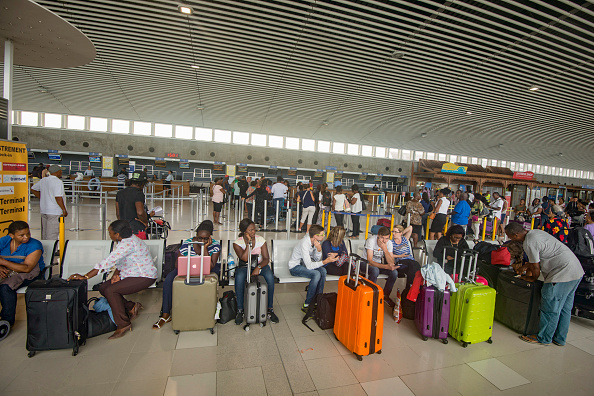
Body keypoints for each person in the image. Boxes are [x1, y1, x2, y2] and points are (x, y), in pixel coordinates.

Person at [68, 220, 157, 339]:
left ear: (117, 234)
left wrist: (86, 276)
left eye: (110, 233)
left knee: (111, 291)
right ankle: (131, 306)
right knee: (103, 287)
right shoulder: (124, 241)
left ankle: (123, 324)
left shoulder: (128, 243)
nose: (109, 235)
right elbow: (121, 261)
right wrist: (117, 273)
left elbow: (108, 262)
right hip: (130, 273)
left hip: (144, 276)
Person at [504, 222, 584, 346]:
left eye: (509, 236)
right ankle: (559, 338)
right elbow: (539, 257)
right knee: (564, 309)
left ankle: (544, 337)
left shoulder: (529, 243)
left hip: (561, 274)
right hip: (575, 271)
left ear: (515, 235)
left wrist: (529, 279)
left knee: (550, 308)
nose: (509, 239)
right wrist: (524, 267)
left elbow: (536, 268)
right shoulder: (535, 233)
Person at [153, 220, 221, 330]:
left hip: (206, 270)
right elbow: (177, 264)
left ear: (210, 237)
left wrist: (204, 248)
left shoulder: (215, 245)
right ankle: (165, 314)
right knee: (169, 279)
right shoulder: (188, 243)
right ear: (196, 235)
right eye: (200, 238)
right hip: (188, 267)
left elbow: (210, 266)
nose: (202, 240)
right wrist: (187, 263)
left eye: (205, 238)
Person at [233, 219, 278, 325]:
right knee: (239, 278)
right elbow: (244, 258)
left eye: (254, 229)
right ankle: (240, 309)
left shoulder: (261, 240)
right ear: (244, 232)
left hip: (260, 265)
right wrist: (249, 244)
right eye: (251, 230)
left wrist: (258, 267)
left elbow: (266, 258)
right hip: (245, 266)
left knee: (270, 277)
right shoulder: (237, 243)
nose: (254, 232)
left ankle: (269, 309)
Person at [0, 221, 45, 328]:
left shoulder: (35, 245)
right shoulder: (4, 241)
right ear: (11, 236)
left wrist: (2, 262)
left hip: (30, 272)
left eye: (28, 233)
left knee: (6, 287)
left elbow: (27, 268)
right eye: (21, 235)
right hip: (8, 269)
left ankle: (7, 321)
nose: (26, 237)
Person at [290, 225, 339, 312]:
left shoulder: (315, 242)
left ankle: (318, 300)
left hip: (304, 265)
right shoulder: (304, 243)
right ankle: (307, 304)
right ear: (315, 236)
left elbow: (315, 259)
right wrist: (324, 262)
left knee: (323, 271)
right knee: (316, 274)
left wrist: (318, 250)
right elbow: (309, 266)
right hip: (295, 267)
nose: (324, 236)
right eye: (322, 234)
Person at [31, 164, 68, 240]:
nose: (61, 172)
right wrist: (64, 210)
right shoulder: (58, 182)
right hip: (54, 212)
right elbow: (58, 197)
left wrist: (42, 197)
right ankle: (51, 251)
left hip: (44, 211)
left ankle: (45, 250)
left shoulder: (44, 180)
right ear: (57, 172)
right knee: (52, 235)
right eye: (61, 171)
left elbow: (33, 189)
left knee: (44, 234)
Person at [363, 226, 398, 307]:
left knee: (394, 273)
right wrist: (386, 266)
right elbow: (370, 261)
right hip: (364, 263)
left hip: (378, 264)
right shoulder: (371, 240)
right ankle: (370, 295)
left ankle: (385, 296)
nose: (384, 241)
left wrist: (385, 250)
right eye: (382, 238)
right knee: (375, 271)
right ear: (378, 236)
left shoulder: (388, 243)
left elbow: (391, 262)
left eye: (386, 238)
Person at [115, 170, 149, 239]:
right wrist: (145, 222)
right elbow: (140, 212)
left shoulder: (120, 193)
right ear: (141, 183)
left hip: (124, 229)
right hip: (137, 229)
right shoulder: (138, 194)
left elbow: (118, 214)